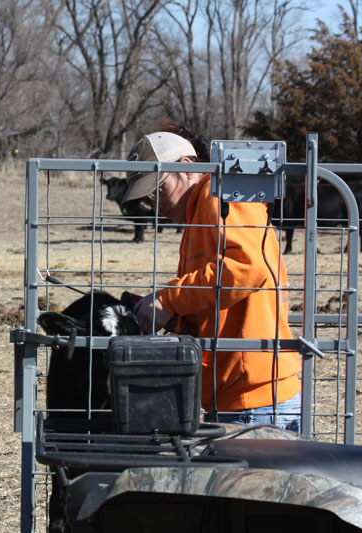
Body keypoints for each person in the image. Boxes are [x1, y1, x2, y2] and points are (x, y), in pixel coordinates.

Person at [122, 119, 301, 431]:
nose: (154, 206)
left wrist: (170, 299)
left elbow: (249, 267)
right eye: (146, 199)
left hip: (254, 399)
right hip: (239, 394)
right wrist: (171, 314)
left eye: (159, 190)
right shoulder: (198, 213)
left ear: (188, 166)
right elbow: (217, 297)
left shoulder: (217, 195)